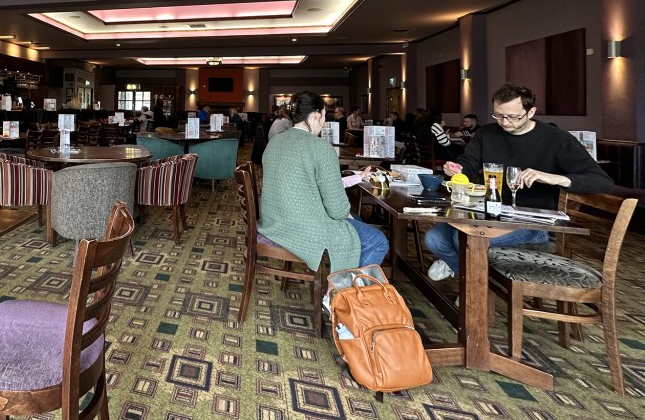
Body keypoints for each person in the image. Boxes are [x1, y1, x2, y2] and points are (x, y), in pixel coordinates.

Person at [424, 83, 614, 281]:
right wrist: (458, 169)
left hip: (534, 223)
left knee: (462, 238)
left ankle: (473, 286)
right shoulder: (486, 134)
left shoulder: (556, 139)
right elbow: (468, 163)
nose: (504, 122)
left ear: (531, 112)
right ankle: (473, 281)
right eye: (498, 115)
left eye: (513, 117)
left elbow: (602, 181)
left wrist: (553, 178)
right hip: (492, 212)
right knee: (434, 238)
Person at [260, 91, 388, 272]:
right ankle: (343, 287)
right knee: (378, 241)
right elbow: (338, 211)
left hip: (273, 221)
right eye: (324, 115)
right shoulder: (321, 148)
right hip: (303, 227)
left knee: (357, 220)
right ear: (315, 115)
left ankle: (346, 277)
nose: (324, 121)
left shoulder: (275, 142)